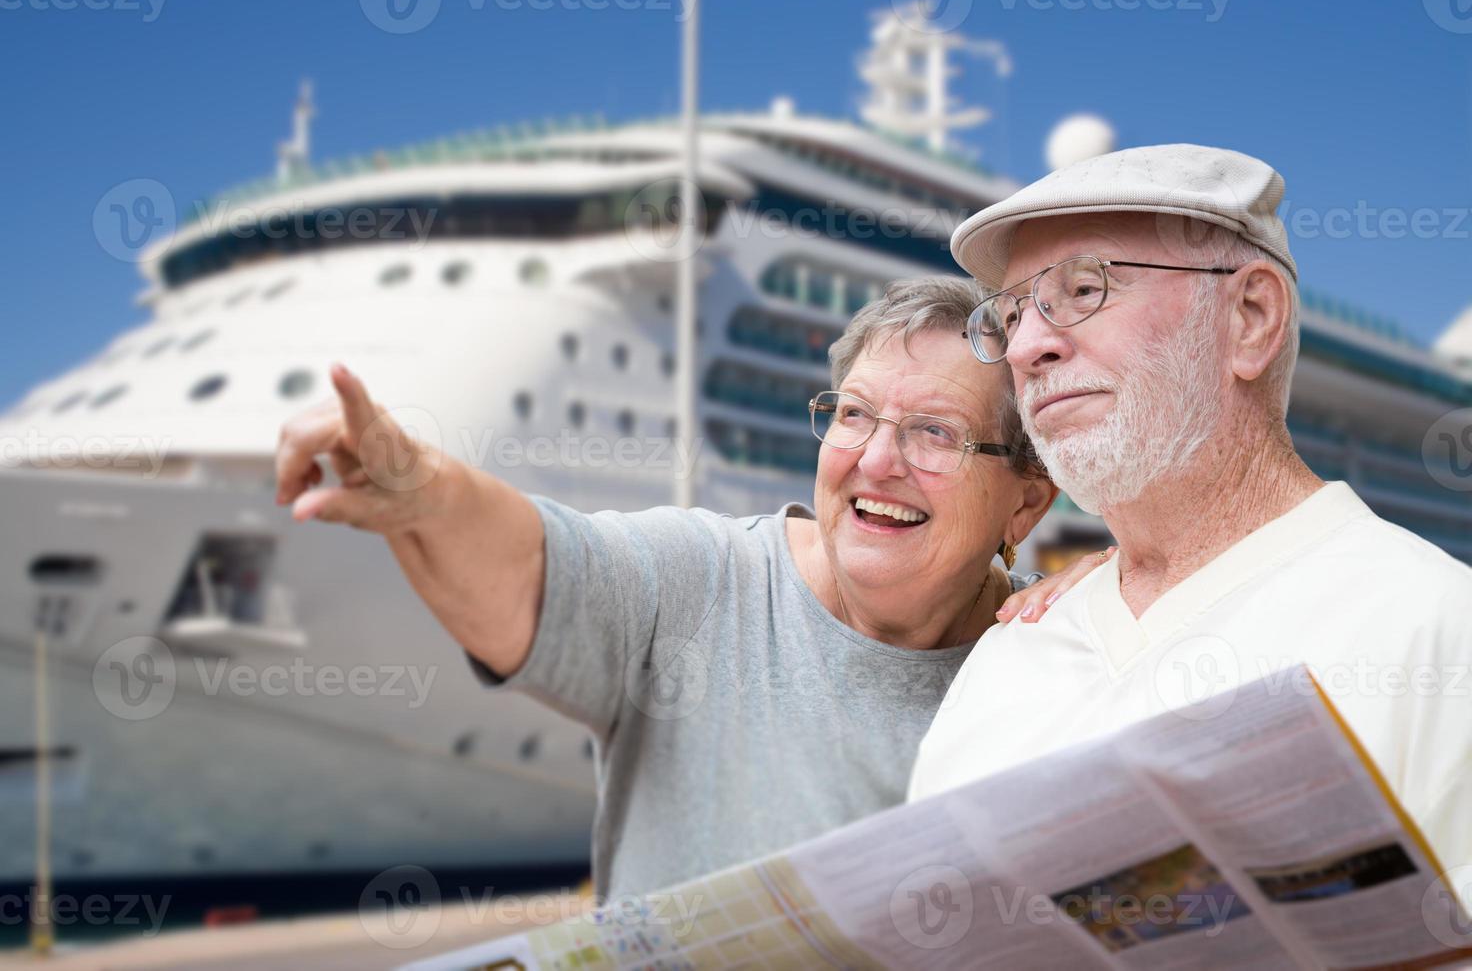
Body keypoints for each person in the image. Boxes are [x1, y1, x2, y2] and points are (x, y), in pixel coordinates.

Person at [273, 277, 1101, 899]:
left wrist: (1136, 591)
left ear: (1028, 499)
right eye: (853, 415)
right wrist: (428, 494)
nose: (877, 460)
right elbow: (535, 570)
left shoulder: (1066, 648)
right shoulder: (702, 584)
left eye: (934, 433)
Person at [908, 145, 1472, 892]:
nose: (1026, 346)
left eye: (1083, 288)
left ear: (1250, 318)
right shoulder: (1010, 656)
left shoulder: (1436, 630)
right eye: (1011, 315)